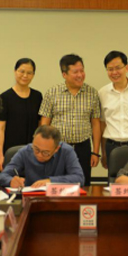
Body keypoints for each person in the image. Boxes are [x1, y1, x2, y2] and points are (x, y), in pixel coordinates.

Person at [39, 54, 101, 186]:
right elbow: (45, 123)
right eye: (75, 72)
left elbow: (96, 124)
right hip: (58, 148)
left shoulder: (92, 93)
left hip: (83, 147)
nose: (80, 75)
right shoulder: (52, 93)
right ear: (64, 74)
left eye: (82, 71)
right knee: (56, 185)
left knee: (83, 185)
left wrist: (95, 152)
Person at [0, 125, 85, 188]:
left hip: (57, 199)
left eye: (45, 152)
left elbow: (79, 178)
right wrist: (11, 181)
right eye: (36, 149)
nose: (39, 155)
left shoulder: (66, 151)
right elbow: (2, 176)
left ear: (56, 149)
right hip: (30, 199)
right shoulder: (25, 152)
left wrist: (50, 181)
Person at [0, 58, 43, 171]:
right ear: (15, 71)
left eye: (29, 73)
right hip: (10, 151)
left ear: (33, 75)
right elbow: (0, 128)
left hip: (33, 151)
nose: (25, 75)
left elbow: (40, 125)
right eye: (22, 71)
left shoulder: (37, 96)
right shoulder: (5, 97)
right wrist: (0, 155)